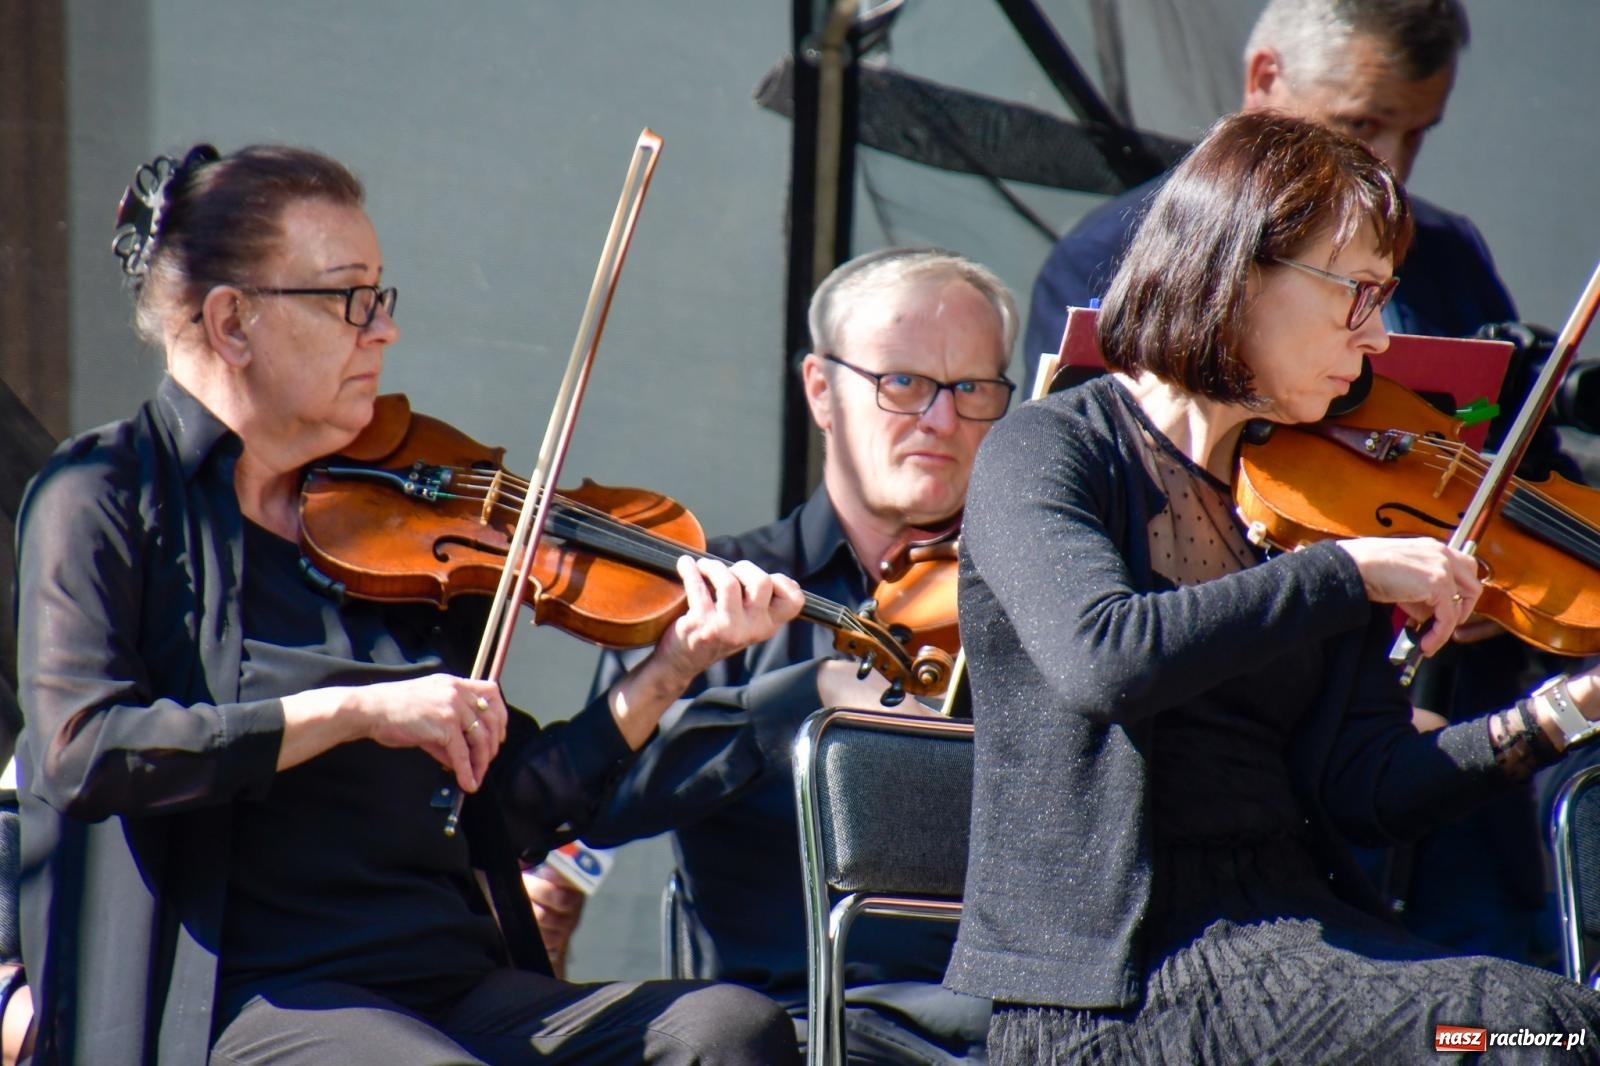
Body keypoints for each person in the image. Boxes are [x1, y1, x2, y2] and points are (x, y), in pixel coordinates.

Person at [13, 143, 808, 1066]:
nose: (382, 331)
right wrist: (354, 712)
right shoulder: (103, 494)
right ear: (232, 322)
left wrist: (672, 665)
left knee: (726, 1031)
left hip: (448, 985)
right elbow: (84, 753)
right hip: (249, 996)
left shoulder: (404, 508)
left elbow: (505, 807)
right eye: (351, 298)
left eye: (382, 297)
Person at [947, 110, 1600, 1063]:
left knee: (1552, 1028)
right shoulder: (1045, 450)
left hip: (1299, 949)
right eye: (1357, 294)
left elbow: (1363, 785)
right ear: (1240, 271)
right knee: (1518, 1029)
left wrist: (1561, 714)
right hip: (1118, 993)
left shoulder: (1299, 507)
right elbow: (1105, 658)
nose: (1377, 338)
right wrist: (1342, 573)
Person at [1026, 0, 1561, 966]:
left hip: (1399, 780)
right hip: (1172, 889)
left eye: (1418, 130)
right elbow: (1107, 634)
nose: (1393, 160)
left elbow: (1518, 460)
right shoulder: (1095, 329)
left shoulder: (1449, 252)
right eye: (1361, 124)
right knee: (1494, 1025)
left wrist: (1518, 595)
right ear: (1264, 79)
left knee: (1536, 1021)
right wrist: (1352, 568)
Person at [541, 248, 1017, 1064]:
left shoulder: (1034, 599)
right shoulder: (702, 599)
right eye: (902, 382)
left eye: (972, 389)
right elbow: (579, 821)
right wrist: (787, 706)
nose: (941, 420)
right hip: (811, 1028)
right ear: (821, 391)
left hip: (1027, 1019)